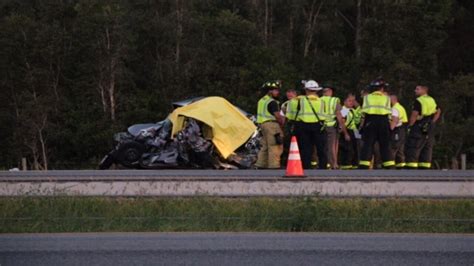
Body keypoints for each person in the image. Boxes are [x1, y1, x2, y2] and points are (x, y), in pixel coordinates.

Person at [287, 80, 327, 169]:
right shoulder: (321, 101)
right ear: (316, 90)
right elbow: (324, 115)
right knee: (320, 148)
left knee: (306, 148)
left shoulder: (297, 100)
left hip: (303, 126)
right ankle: (323, 167)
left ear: (306, 90)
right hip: (318, 126)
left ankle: (306, 167)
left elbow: (290, 116)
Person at [358, 78, 395, 169]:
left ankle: (364, 164)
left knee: (368, 144)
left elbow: (363, 113)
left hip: (370, 121)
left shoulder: (366, 98)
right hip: (384, 121)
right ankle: (389, 165)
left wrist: (361, 126)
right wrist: (390, 126)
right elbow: (389, 114)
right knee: (385, 144)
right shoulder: (387, 98)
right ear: (382, 88)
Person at [405, 85, 441, 169]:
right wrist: (432, 121)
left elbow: (414, 115)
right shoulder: (432, 100)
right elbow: (438, 111)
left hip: (419, 125)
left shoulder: (419, 101)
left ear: (424, 90)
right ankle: (425, 167)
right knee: (427, 147)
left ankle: (411, 167)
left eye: (417, 89)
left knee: (414, 146)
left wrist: (410, 126)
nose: (415, 90)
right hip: (429, 125)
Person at [255, 81, 285, 169]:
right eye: (276, 90)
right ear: (270, 91)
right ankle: (274, 166)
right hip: (272, 125)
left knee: (265, 146)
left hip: (263, 125)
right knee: (275, 146)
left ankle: (261, 164)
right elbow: (277, 116)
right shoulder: (272, 102)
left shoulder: (262, 100)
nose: (278, 92)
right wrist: (282, 123)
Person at [321, 86, 350, 169]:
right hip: (332, 125)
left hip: (321, 125)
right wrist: (341, 126)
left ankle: (326, 163)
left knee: (324, 145)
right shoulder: (334, 100)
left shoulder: (319, 100)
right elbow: (339, 114)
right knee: (332, 146)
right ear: (329, 92)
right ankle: (334, 164)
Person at [339, 94, 359, 169]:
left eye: (353, 101)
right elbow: (342, 123)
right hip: (346, 131)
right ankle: (346, 165)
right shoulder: (344, 110)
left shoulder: (352, 110)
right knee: (347, 149)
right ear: (344, 102)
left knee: (354, 149)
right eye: (349, 101)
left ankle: (353, 165)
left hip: (353, 131)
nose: (351, 103)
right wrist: (346, 134)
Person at [389, 94, 408, 168]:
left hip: (396, 130)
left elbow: (394, 120)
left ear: (392, 100)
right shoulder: (400, 107)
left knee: (393, 148)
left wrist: (390, 129)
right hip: (402, 130)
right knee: (400, 149)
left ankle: (390, 165)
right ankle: (401, 165)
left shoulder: (394, 108)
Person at [281, 89, 298, 167]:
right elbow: (283, 117)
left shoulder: (300, 102)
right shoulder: (285, 104)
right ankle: (288, 162)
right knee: (288, 145)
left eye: (291, 95)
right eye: (288, 96)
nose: (289, 97)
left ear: (295, 94)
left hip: (298, 124)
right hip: (289, 125)